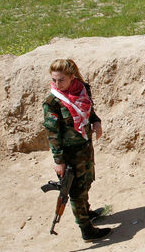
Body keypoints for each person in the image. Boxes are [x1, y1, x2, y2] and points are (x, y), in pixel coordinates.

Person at [43, 58, 111, 241]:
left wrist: (96, 121)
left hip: (85, 147)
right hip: (69, 154)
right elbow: (53, 133)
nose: (57, 84)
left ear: (72, 77)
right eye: (54, 80)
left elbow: (89, 110)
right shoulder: (53, 102)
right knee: (75, 191)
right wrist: (59, 161)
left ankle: (86, 213)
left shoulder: (82, 89)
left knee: (87, 181)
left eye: (61, 80)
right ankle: (86, 229)